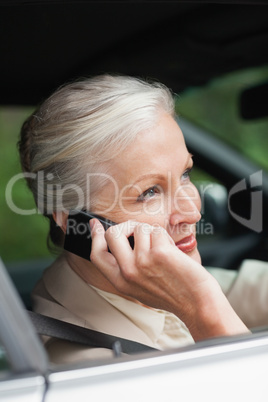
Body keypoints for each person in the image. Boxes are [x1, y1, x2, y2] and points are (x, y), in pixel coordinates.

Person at [18, 74, 266, 364]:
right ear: (76, 222)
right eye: (149, 192)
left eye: (185, 174)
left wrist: (198, 298)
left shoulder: (153, 280)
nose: (192, 212)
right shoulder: (90, 369)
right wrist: (201, 310)